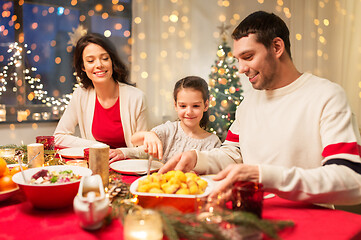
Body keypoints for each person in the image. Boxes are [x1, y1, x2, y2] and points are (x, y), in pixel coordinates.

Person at [159, 11, 361, 205]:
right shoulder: (248, 103)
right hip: (251, 213)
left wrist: (263, 176)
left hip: (311, 220)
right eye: (238, 60)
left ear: (276, 47)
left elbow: (352, 180)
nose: (241, 69)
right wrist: (197, 158)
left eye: (248, 57)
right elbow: (233, 154)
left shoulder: (326, 96)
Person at [54, 33, 147, 161]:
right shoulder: (81, 94)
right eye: (90, 61)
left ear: (112, 61)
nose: (99, 65)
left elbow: (146, 149)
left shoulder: (136, 97)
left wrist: (123, 152)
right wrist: (97, 146)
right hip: (96, 167)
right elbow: (59, 136)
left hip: (129, 170)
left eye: (104, 58)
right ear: (83, 67)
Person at [112, 76, 221, 163]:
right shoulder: (169, 130)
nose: (189, 112)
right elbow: (134, 140)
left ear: (206, 105)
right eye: (183, 106)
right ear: (175, 105)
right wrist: (148, 135)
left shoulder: (213, 142)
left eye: (196, 106)